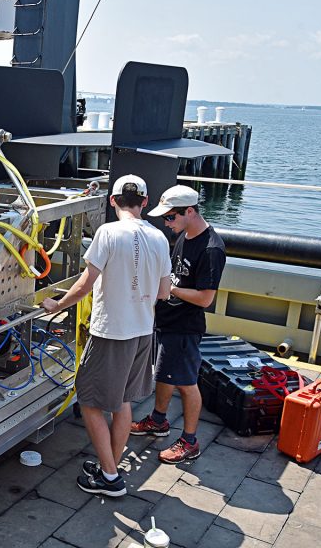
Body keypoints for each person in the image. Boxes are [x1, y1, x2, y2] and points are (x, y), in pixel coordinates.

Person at [42, 175, 171, 497]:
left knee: (89, 401)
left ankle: (111, 478)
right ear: (144, 201)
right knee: (122, 401)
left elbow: (86, 284)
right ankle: (108, 465)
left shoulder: (108, 232)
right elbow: (165, 292)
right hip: (143, 330)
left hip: (111, 332)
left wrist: (56, 303)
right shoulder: (159, 237)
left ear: (112, 201)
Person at [130, 185, 226, 464]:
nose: (167, 224)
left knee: (186, 383)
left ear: (190, 211)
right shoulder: (185, 235)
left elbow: (206, 298)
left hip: (185, 326)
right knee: (163, 374)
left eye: (171, 218)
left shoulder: (211, 249)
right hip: (168, 321)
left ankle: (190, 441)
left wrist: (169, 290)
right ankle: (159, 420)